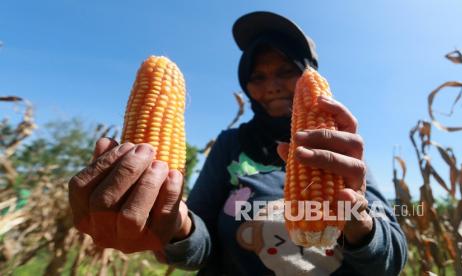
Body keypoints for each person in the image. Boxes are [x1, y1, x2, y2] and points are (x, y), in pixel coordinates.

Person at [68, 11, 408, 276]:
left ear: (307, 72)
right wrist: (174, 226)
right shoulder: (232, 145)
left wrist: (359, 223)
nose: (271, 86)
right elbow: (202, 245)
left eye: (286, 70)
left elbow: (389, 261)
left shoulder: (341, 152)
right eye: (257, 77)